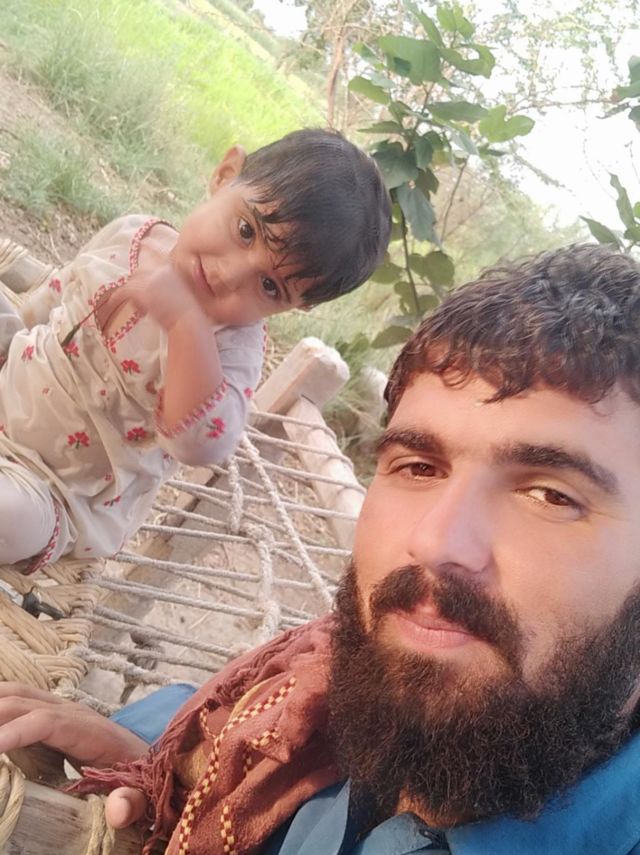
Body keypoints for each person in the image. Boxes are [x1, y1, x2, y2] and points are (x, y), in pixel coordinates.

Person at [2, 242, 640, 854]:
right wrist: (158, 763)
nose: (434, 541)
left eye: (551, 495)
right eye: (418, 466)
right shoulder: (298, 704)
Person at [0, 128, 391, 574]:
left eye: (269, 286)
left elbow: (201, 443)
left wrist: (184, 325)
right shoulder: (134, 234)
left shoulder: (232, 352)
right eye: (245, 230)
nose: (230, 274)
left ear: (297, 306)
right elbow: (55, 298)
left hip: (54, 489)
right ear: (225, 175)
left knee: (9, 518)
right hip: (10, 379)